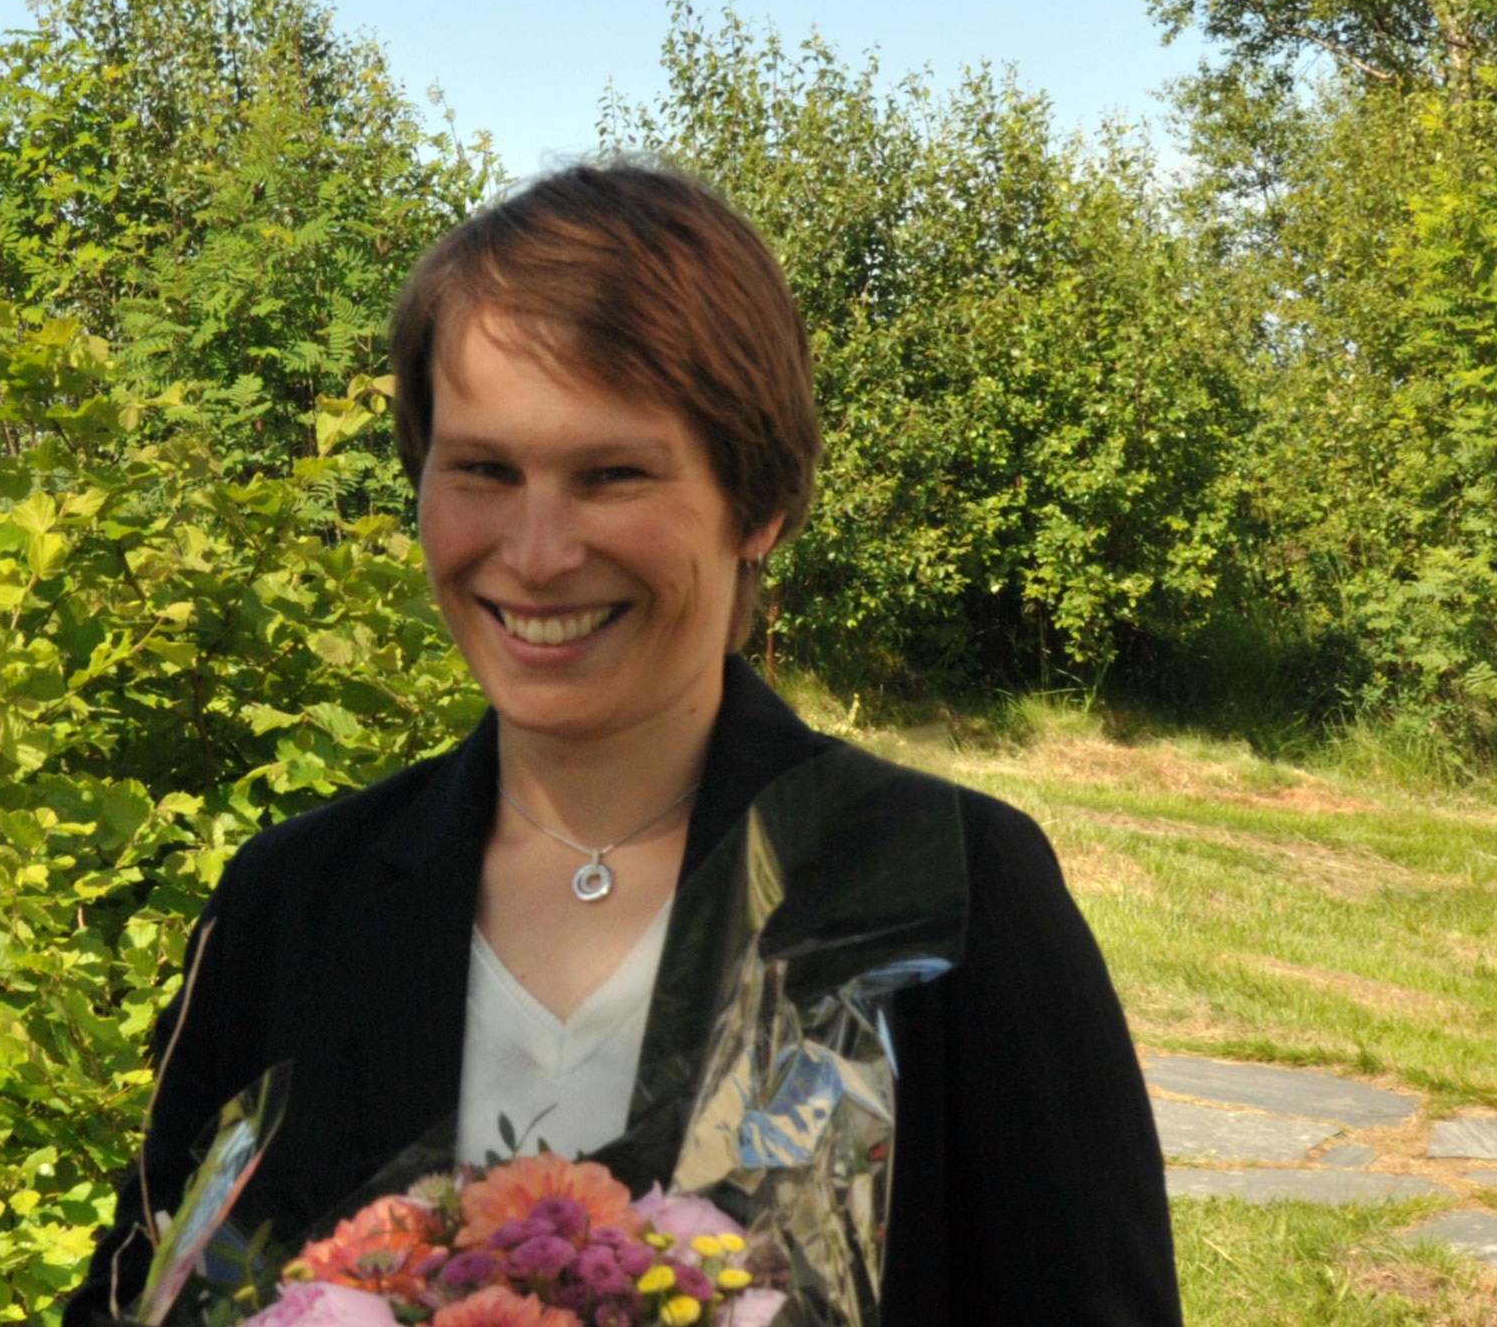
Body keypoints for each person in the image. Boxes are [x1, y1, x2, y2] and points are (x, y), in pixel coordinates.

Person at [66, 164, 1180, 1325]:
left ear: (760, 504)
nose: (535, 553)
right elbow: (138, 1293)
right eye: (483, 469)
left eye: (611, 474)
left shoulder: (942, 889)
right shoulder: (288, 903)